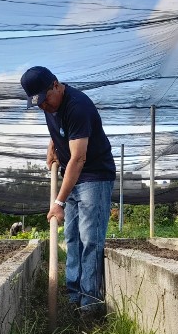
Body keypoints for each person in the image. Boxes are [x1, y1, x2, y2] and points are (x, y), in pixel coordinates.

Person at [20, 66, 116, 320]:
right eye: (37, 103)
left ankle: (90, 305)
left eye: (45, 100)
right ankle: (73, 295)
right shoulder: (49, 105)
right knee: (72, 238)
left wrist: (59, 201)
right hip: (71, 177)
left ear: (56, 85)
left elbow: (78, 158)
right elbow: (58, 130)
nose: (43, 107)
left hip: (93, 175)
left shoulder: (78, 106)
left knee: (90, 239)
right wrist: (52, 147)